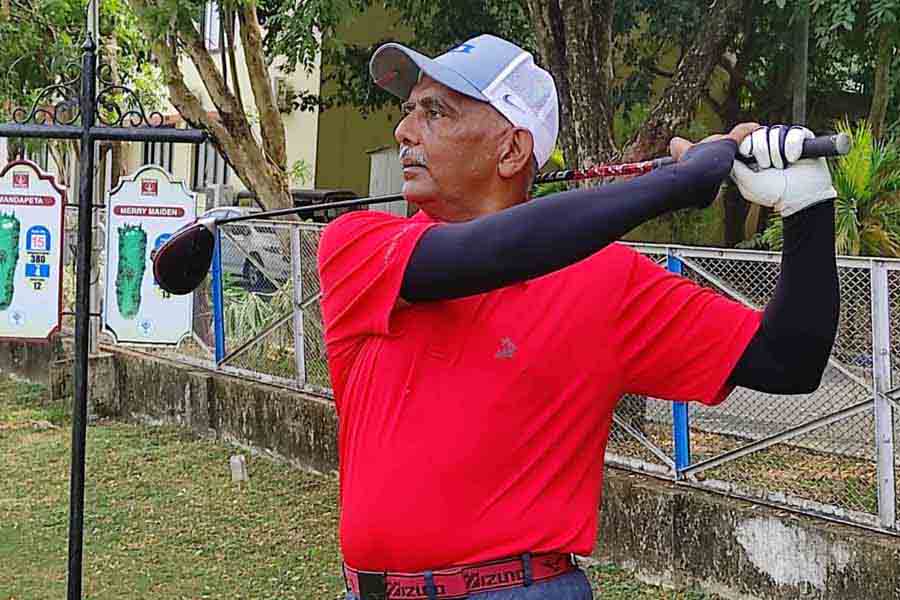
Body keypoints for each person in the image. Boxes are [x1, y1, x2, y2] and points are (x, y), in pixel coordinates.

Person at [317, 34, 839, 600]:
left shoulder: (608, 281)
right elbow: (487, 254)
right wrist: (673, 185)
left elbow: (790, 359)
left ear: (512, 151)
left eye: (434, 111)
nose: (404, 131)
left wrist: (808, 205)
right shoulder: (358, 245)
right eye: (408, 110)